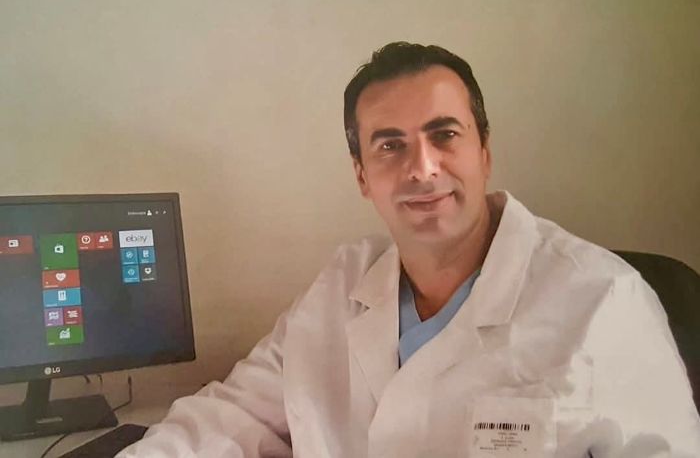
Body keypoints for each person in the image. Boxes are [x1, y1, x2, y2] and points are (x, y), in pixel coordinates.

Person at [119, 42, 700, 457]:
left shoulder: (603, 300)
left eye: (444, 135)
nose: (422, 168)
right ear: (362, 176)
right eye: (390, 145)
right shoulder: (340, 286)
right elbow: (228, 417)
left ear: (484, 152)